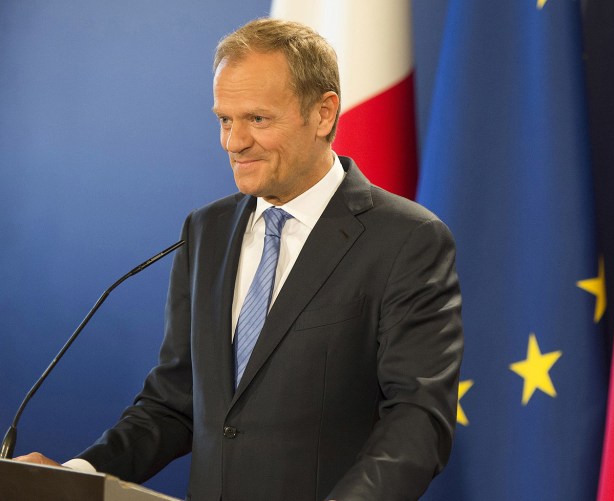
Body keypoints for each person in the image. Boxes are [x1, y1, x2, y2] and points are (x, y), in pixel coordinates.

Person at [16, 17, 463, 500]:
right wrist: (76, 476)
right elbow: (173, 403)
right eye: (225, 120)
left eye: (257, 119)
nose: (233, 142)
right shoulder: (205, 230)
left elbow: (417, 419)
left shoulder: (406, 239)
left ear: (323, 114)